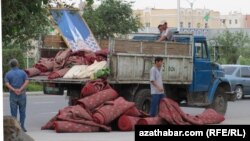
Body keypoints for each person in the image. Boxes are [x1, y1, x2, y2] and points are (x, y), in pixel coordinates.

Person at [4, 59, 29, 132]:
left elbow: (7, 83)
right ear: (17, 64)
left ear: (10, 65)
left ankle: (15, 127)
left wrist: (14, 90)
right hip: (22, 94)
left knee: (13, 112)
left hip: (13, 95)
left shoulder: (8, 74)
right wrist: (20, 89)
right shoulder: (23, 72)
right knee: (22, 111)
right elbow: (27, 81)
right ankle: (22, 127)